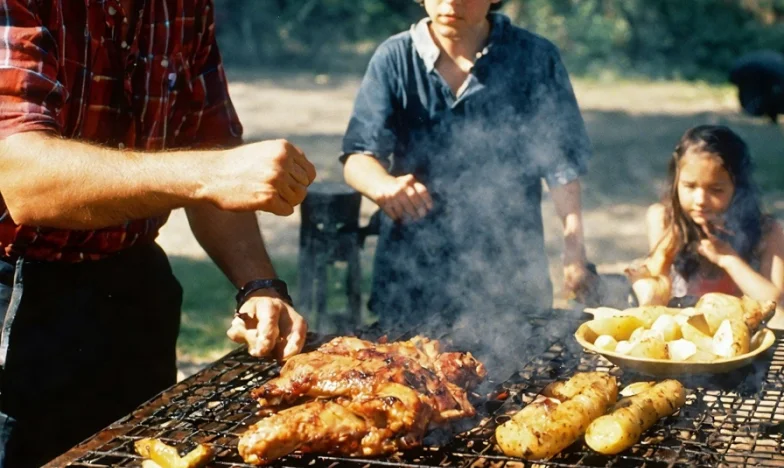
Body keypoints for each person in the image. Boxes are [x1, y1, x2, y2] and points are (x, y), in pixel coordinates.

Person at [0, 1, 316, 466]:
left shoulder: (185, 7)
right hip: (19, 291)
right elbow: (24, 179)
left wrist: (259, 285)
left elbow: (211, 150)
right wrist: (208, 173)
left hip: (133, 288)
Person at [340, 0, 595, 339]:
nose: (450, 2)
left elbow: (561, 164)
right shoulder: (394, 58)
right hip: (411, 276)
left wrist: (574, 247)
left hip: (510, 274)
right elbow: (358, 157)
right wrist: (382, 185)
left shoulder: (534, 57)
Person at [628, 125, 784, 328]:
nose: (700, 200)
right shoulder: (662, 218)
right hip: (681, 332)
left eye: (716, 189)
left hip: (741, 334)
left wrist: (728, 259)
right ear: (676, 182)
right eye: (690, 186)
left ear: (738, 188)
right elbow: (656, 295)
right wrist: (667, 249)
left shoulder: (768, 231)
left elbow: (774, 301)